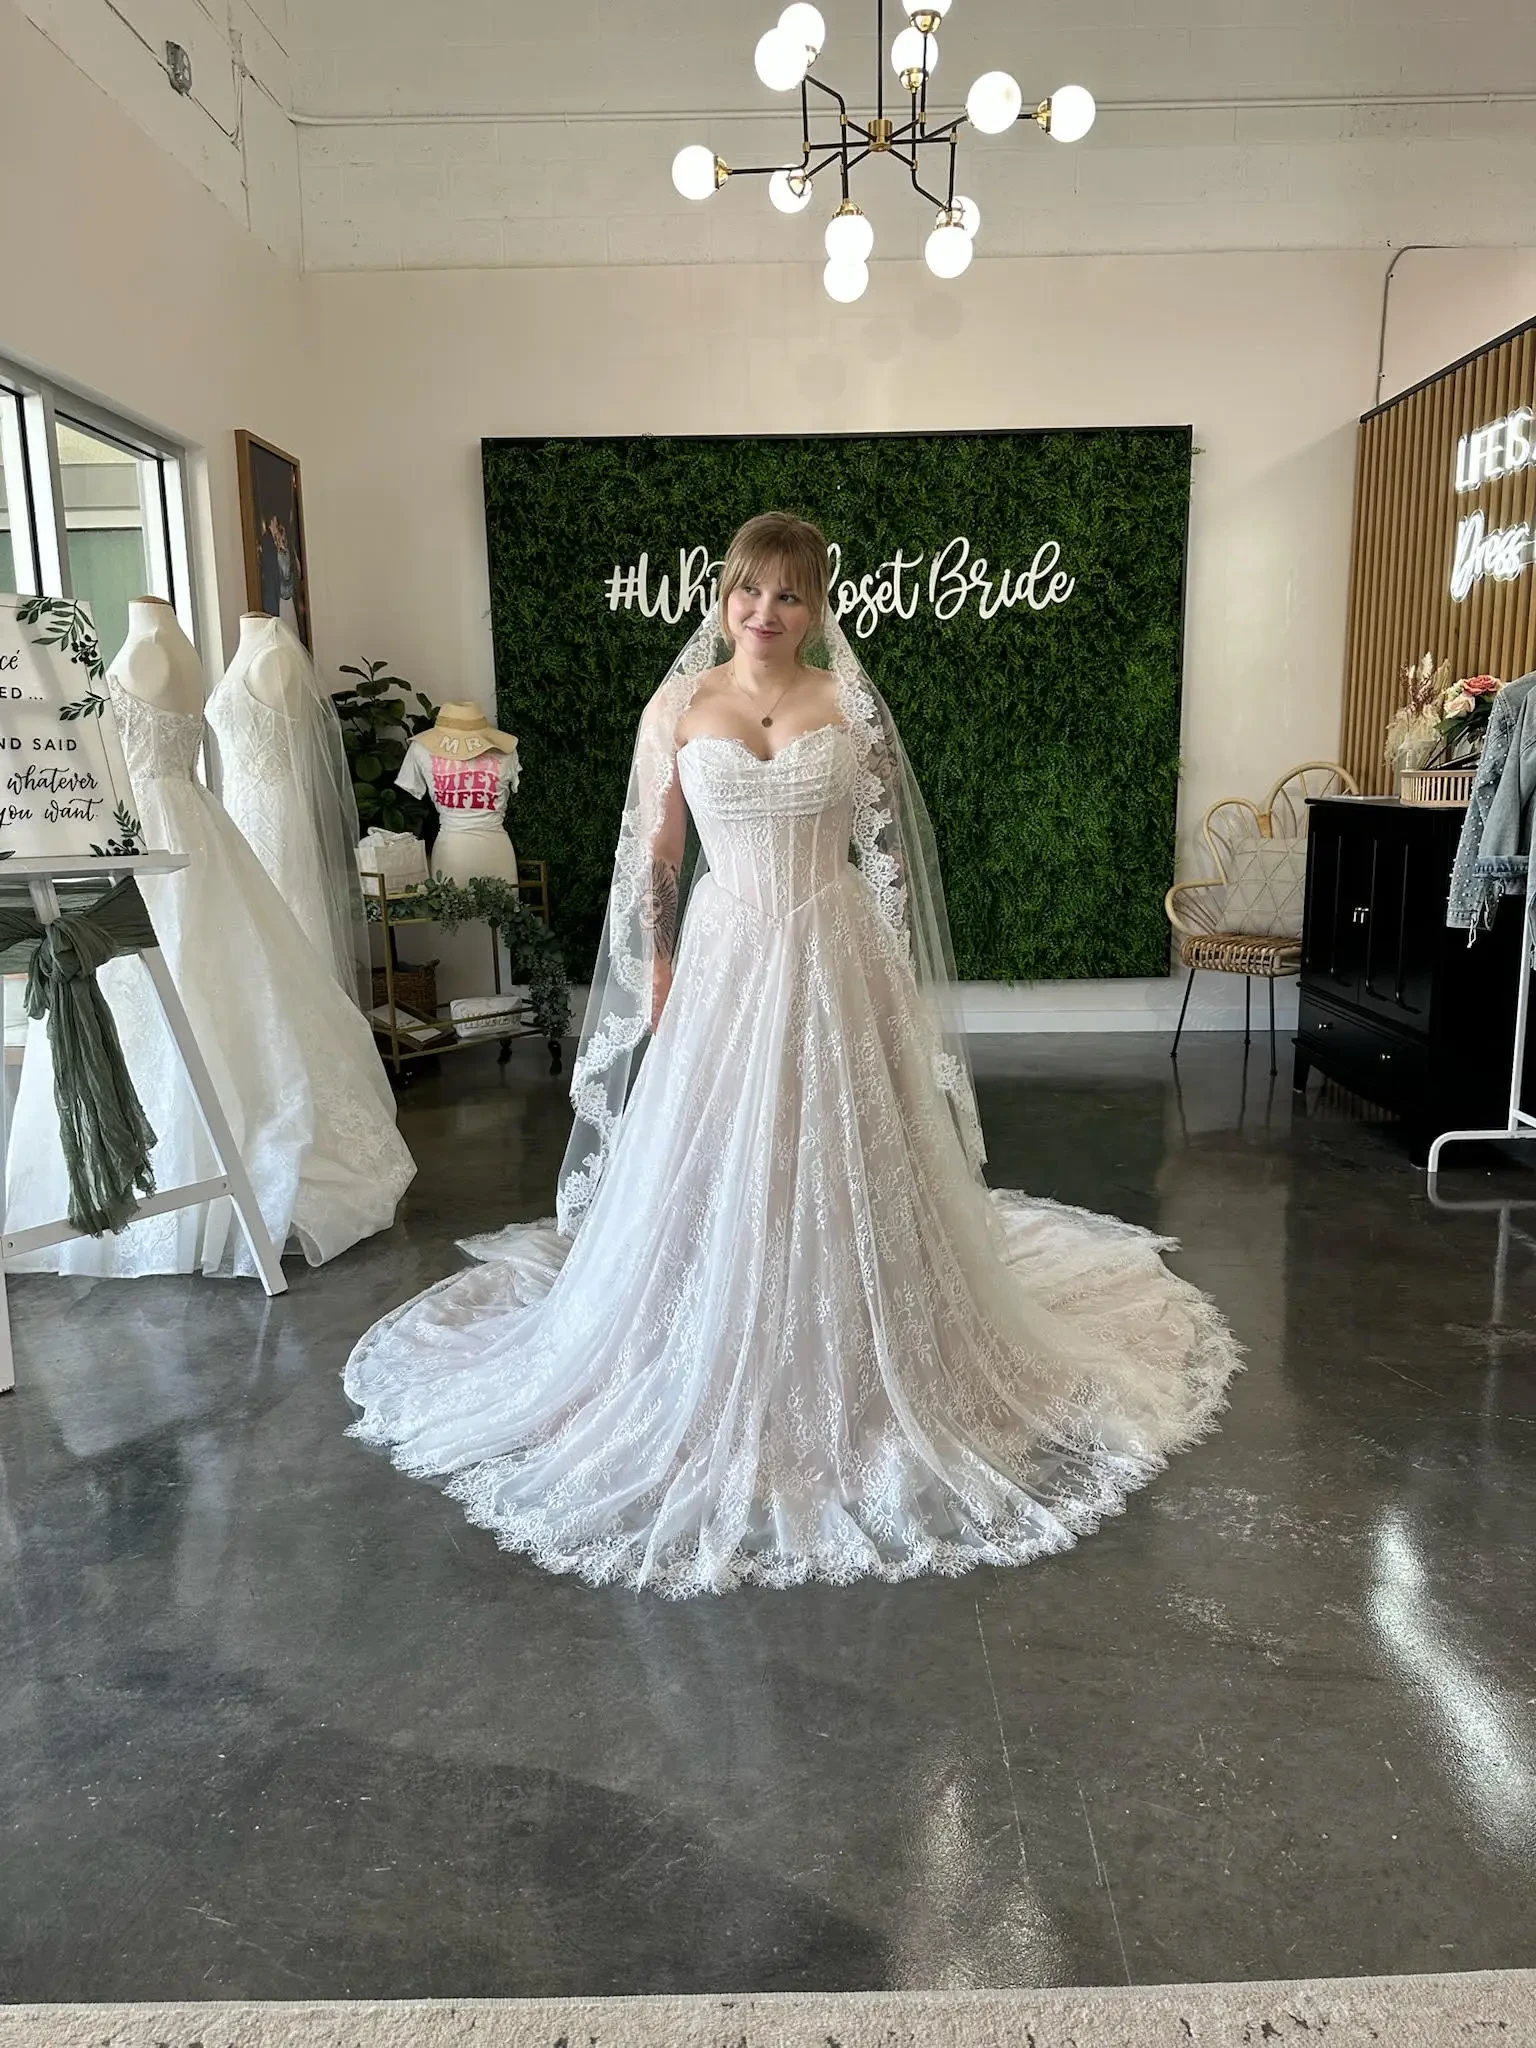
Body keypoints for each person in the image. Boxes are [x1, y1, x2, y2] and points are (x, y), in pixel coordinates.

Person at [344, 512, 1241, 1596]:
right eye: (747, 593)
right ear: (722, 597)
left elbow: (889, 852)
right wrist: (661, 963)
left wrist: (895, 974)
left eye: (789, 596)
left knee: (851, 1144)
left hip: (834, 950)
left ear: (817, 608)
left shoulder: (846, 704)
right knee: (724, 1149)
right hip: (727, 957)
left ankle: (875, 1349)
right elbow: (657, 852)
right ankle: (710, 1341)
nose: (764, 614)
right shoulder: (680, 706)